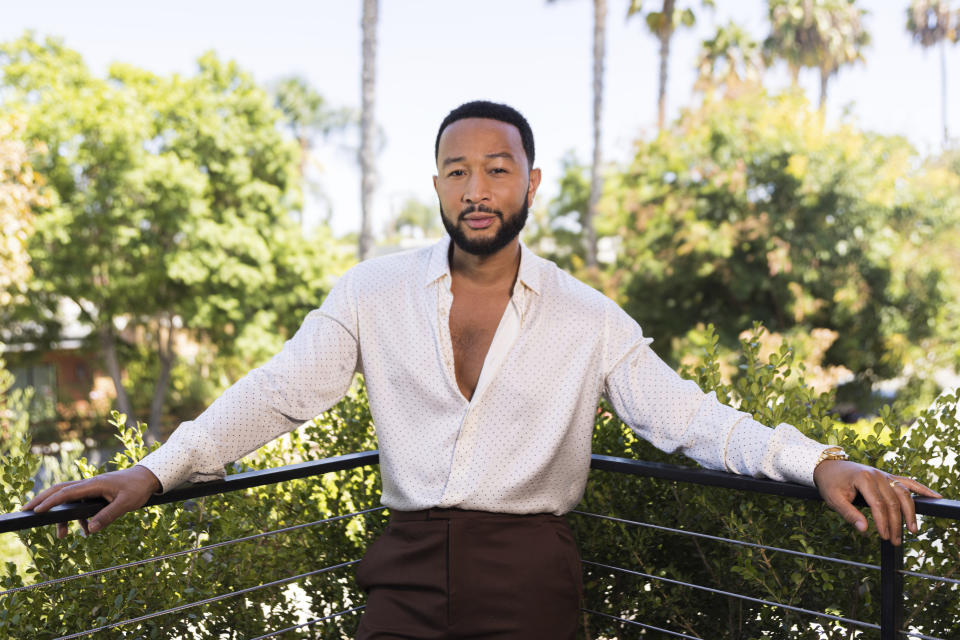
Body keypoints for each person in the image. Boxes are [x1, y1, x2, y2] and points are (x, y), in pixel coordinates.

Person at [24, 100, 942, 639]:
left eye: (498, 169)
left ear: (531, 184)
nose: (476, 189)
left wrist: (820, 462)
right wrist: (152, 473)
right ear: (434, 186)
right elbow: (276, 392)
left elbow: (694, 420)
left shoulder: (589, 318)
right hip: (406, 570)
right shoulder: (371, 294)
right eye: (457, 171)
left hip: (530, 577)